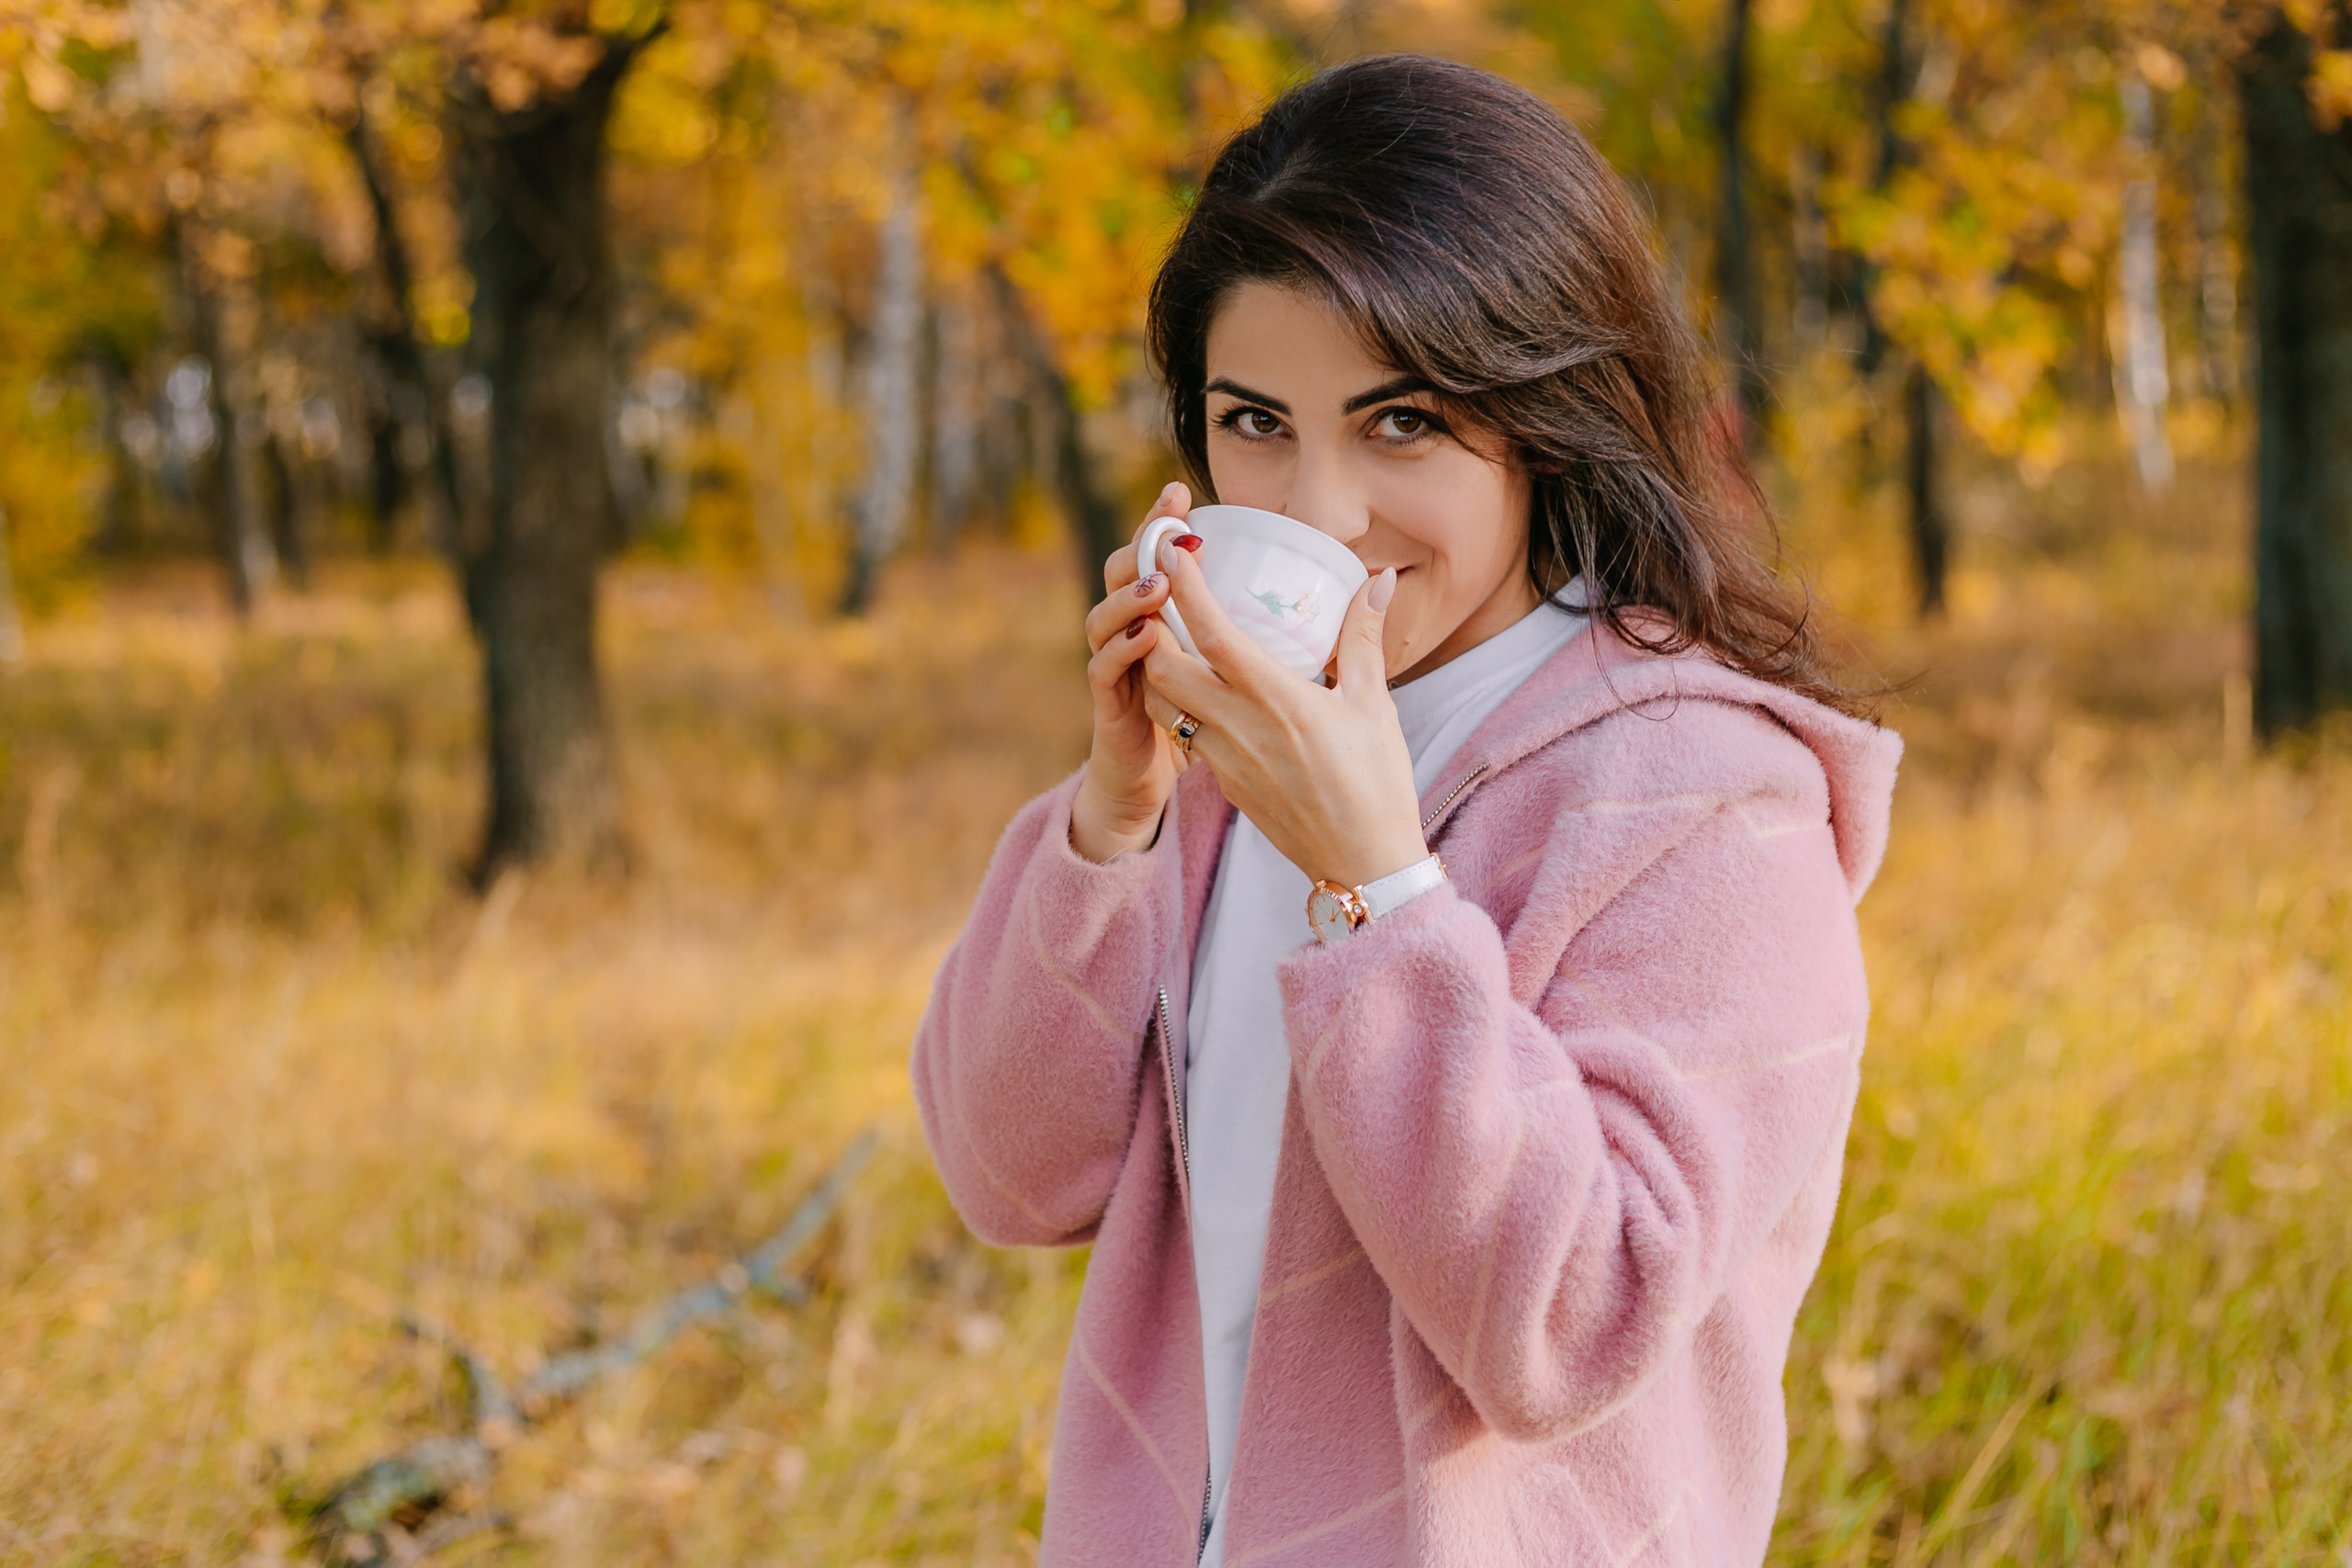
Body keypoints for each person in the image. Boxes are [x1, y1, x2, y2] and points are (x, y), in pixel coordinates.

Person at [911, 53, 1902, 1568]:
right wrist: (1113, 819)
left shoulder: (1711, 801)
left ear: (1546, 419)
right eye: (1254, 422)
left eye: (1402, 425)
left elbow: (1573, 1328)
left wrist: (1378, 885)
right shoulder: (1220, 766)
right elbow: (1006, 1175)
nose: (1317, 512)